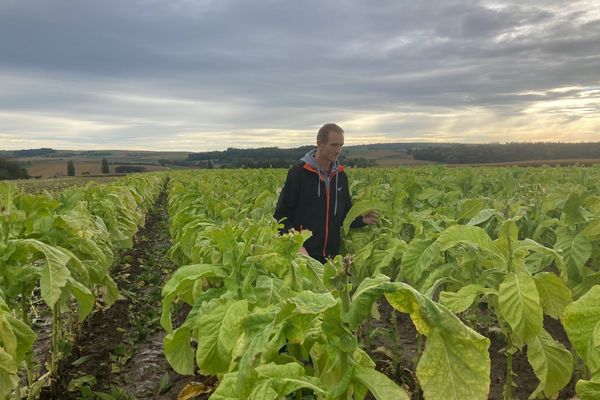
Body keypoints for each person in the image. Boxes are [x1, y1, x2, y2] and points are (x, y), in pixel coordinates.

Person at [274, 123, 377, 263]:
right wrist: (296, 244)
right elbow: (281, 216)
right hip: (303, 256)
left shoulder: (341, 177)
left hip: (331, 258)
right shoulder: (298, 174)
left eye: (341, 145)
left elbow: (344, 213)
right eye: (334, 145)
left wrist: (362, 220)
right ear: (320, 144)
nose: (338, 150)